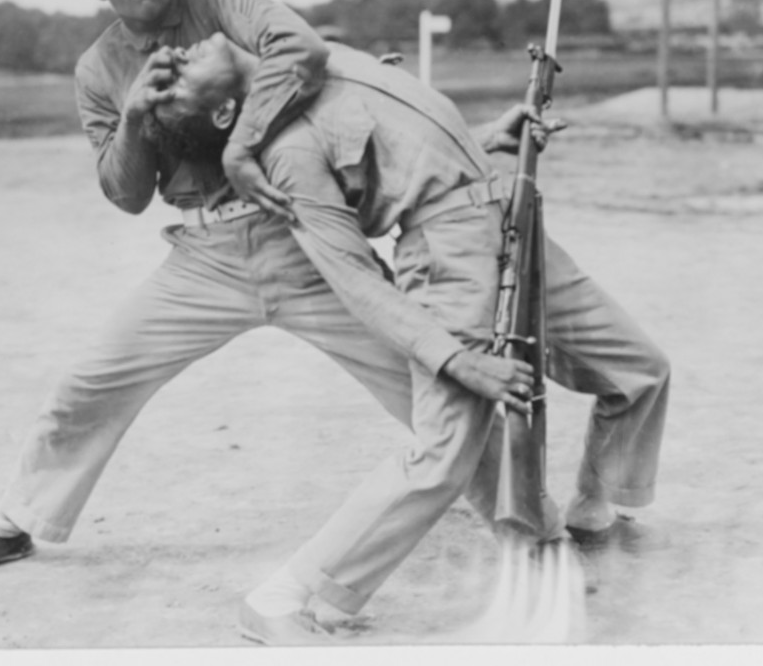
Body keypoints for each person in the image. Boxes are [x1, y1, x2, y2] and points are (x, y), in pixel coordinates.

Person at [0, 0, 551, 630]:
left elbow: (304, 50)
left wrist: (248, 141)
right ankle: (12, 519)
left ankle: (525, 517)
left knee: (435, 381)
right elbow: (123, 193)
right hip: (205, 258)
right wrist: (132, 116)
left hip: (302, 236)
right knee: (89, 383)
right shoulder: (98, 71)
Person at [147, 34, 671, 642]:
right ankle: (285, 595)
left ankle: (591, 507)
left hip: (508, 219)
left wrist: (484, 140)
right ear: (223, 116)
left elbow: (403, 153)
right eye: (175, 79)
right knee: (444, 452)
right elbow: (354, 278)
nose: (176, 54)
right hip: (448, 261)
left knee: (639, 371)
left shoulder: (309, 60)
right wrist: (456, 360)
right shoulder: (287, 156)